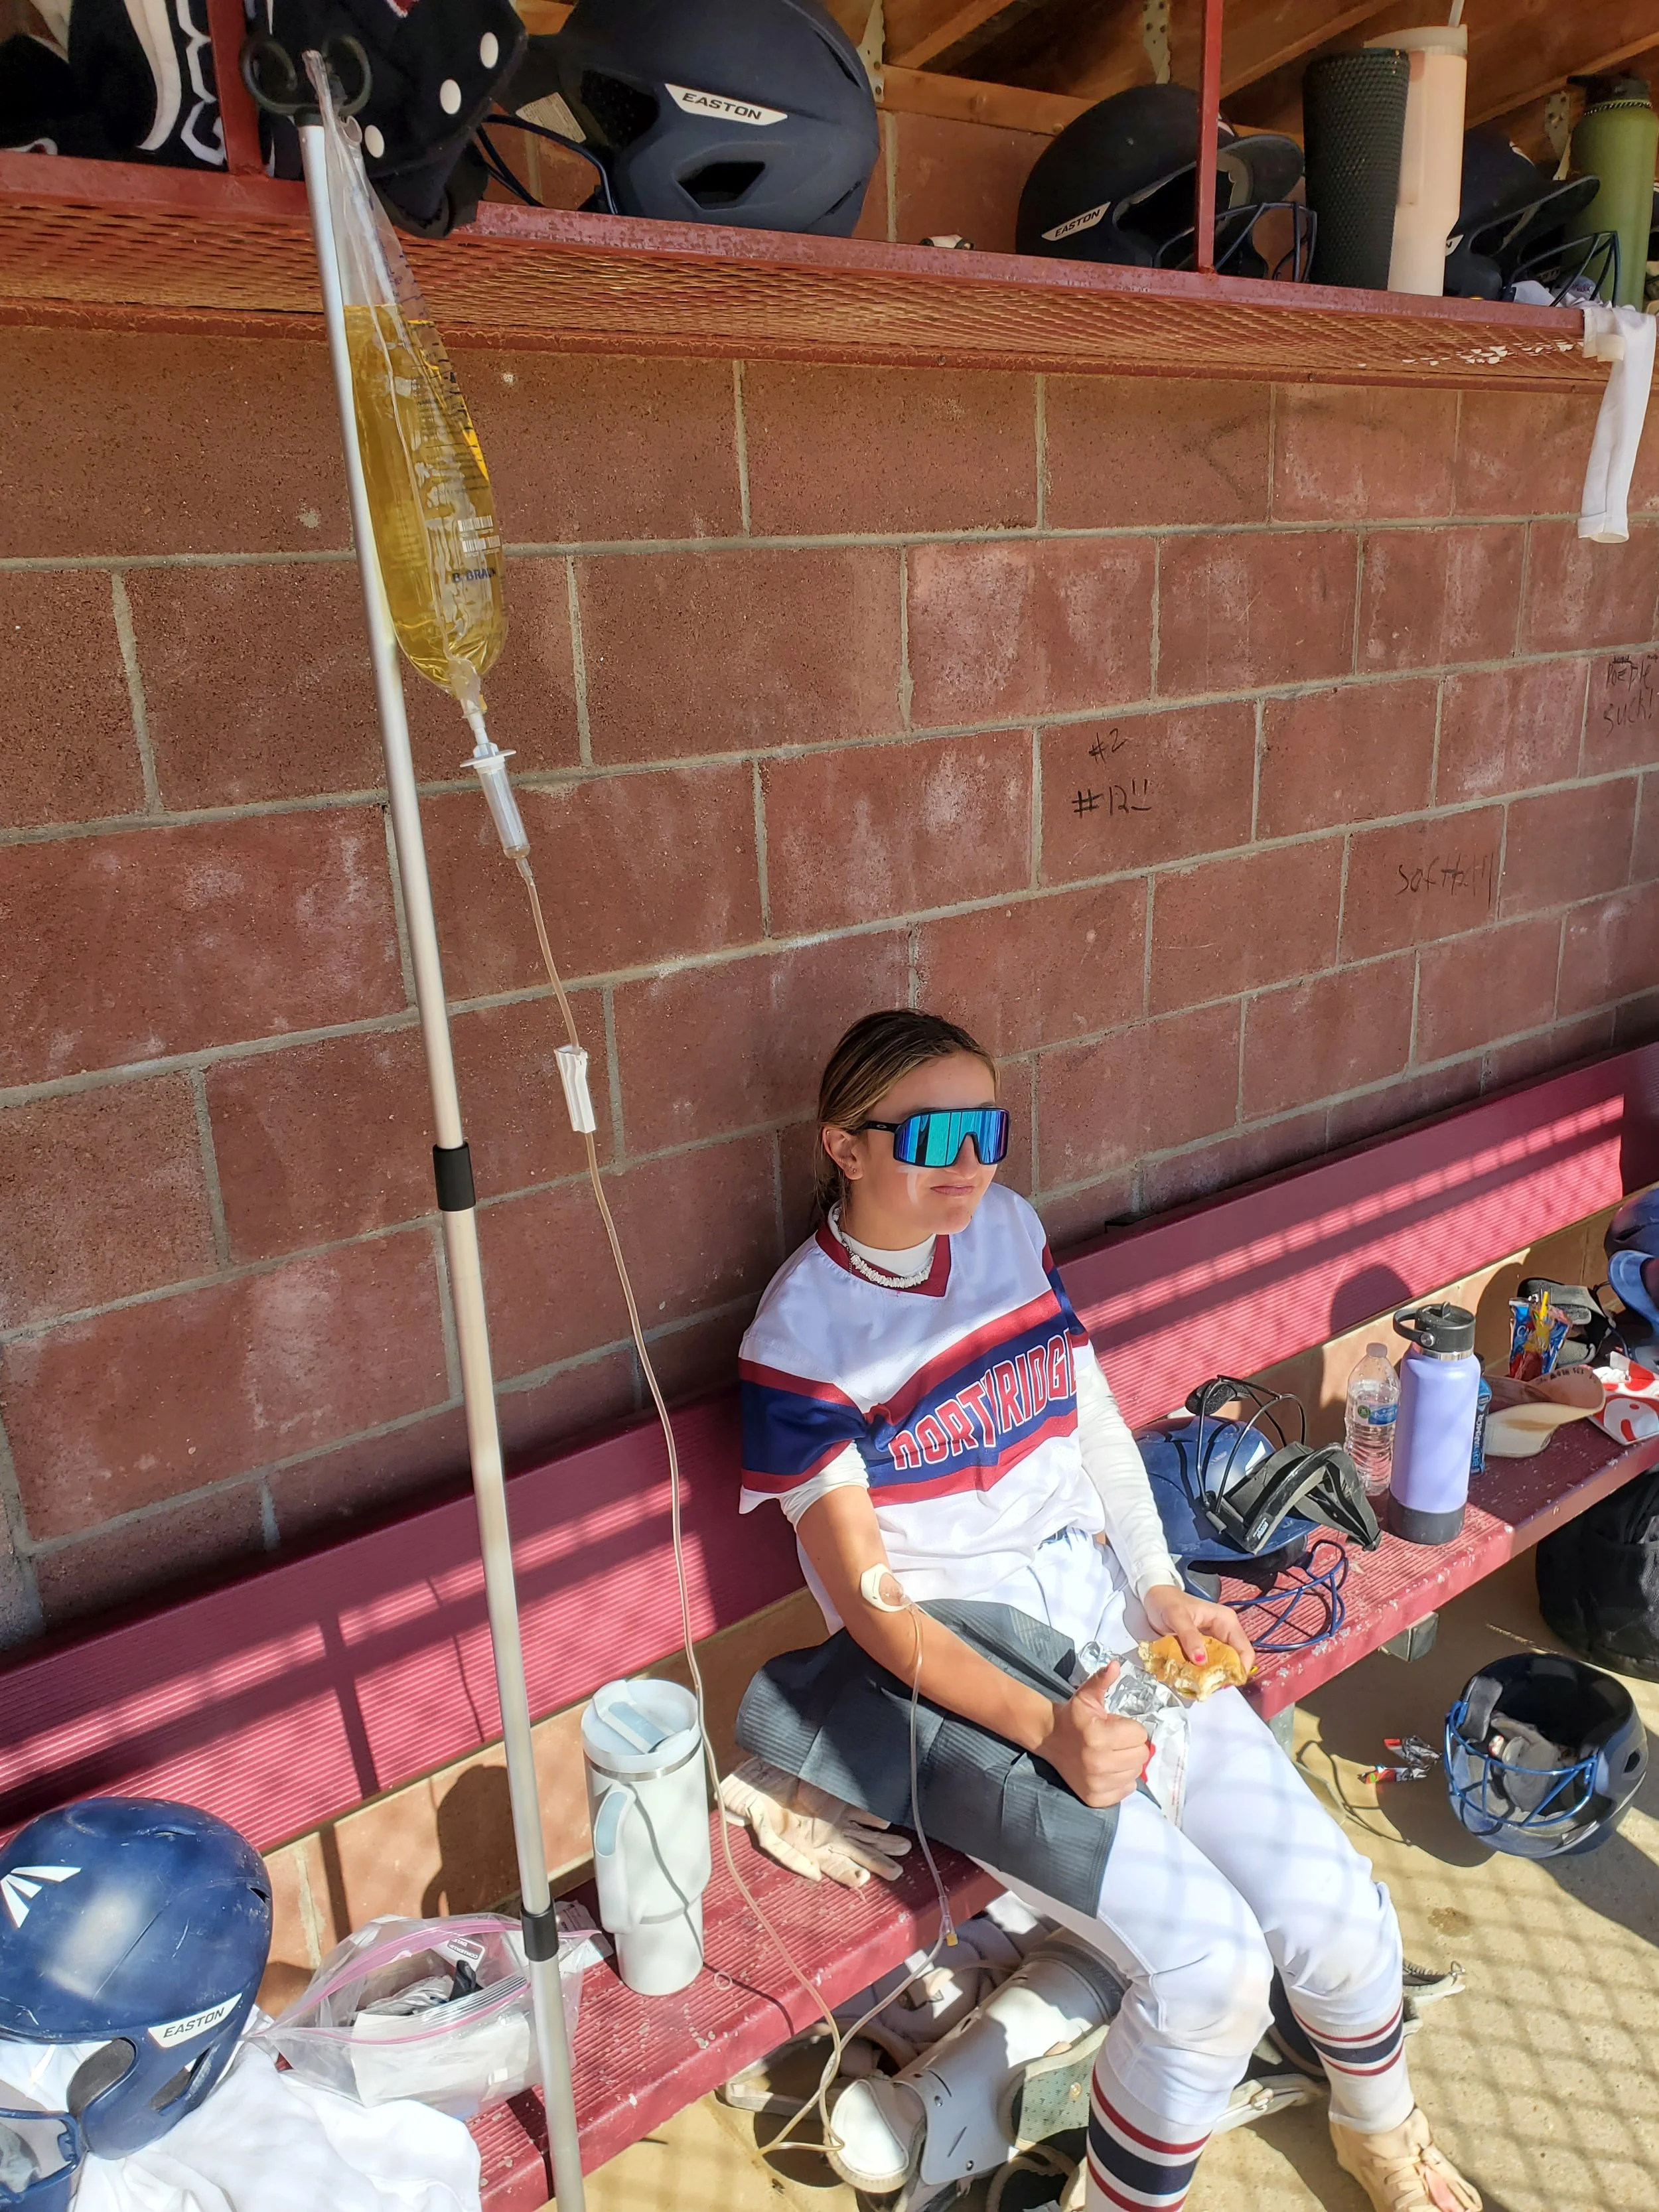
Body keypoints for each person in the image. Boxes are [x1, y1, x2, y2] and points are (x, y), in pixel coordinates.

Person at [736, 1009, 1480, 2212]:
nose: (970, 1162)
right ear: (844, 1145)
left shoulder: (1009, 1233)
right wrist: (1047, 1731)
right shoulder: (802, 1336)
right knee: (1212, 1971)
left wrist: (1163, 1589)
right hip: (970, 1679)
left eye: (990, 1129)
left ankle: (1381, 2134)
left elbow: (1089, 1424)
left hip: (1104, 1623)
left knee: (1339, 1914)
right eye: (933, 1133)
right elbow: (871, 1606)